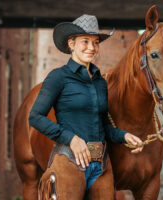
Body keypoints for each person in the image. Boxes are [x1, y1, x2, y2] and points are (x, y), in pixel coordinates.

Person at [29, 14, 143, 199]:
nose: (91, 48)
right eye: (85, 41)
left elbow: (103, 126)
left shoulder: (100, 82)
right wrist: (71, 139)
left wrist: (124, 136)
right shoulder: (58, 77)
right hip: (69, 161)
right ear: (71, 43)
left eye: (96, 42)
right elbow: (35, 117)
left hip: (102, 166)